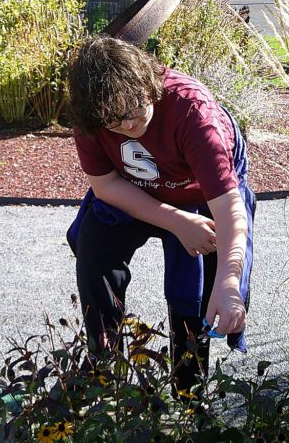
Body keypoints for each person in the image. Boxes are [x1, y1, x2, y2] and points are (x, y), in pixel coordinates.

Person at [66, 36, 255, 393]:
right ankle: (104, 375)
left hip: (202, 194)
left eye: (136, 107)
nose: (129, 123)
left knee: (194, 283)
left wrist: (229, 284)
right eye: (114, 120)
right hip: (134, 187)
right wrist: (176, 221)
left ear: (148, 81)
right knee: (94, 248)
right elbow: (105, 185)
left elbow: (229, 207)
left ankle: (188, 390)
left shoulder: (193, 112)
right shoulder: (90, 112)